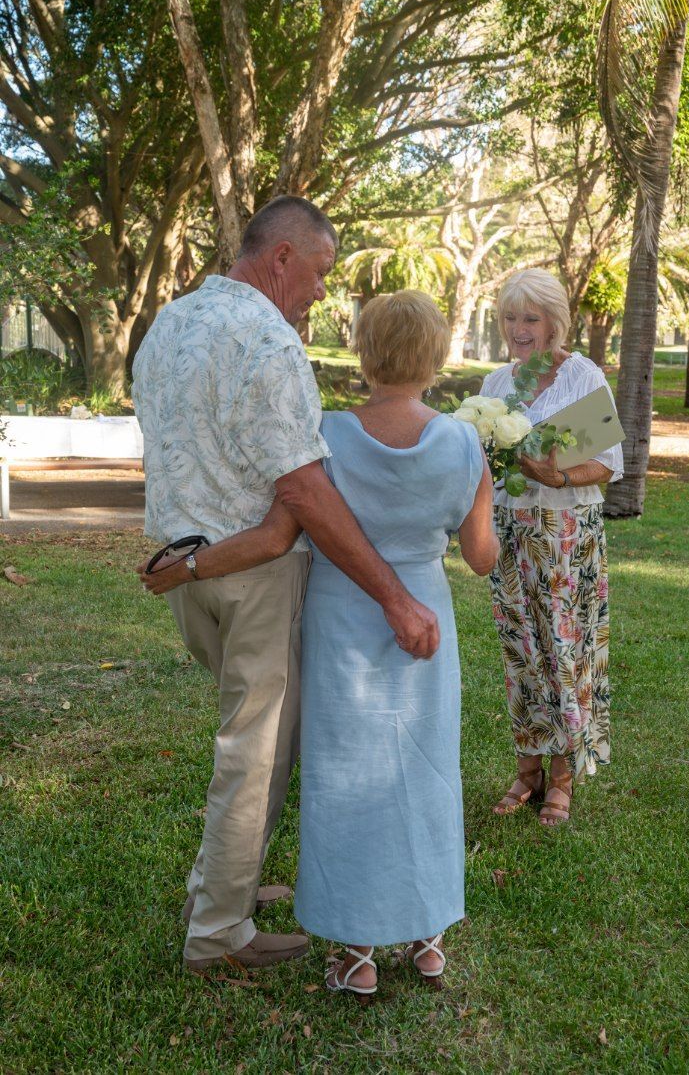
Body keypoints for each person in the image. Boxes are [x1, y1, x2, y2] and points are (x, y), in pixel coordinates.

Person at [141, 290, 499, 1000]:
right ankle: (428, 941)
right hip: (424, 620)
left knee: (343, 779)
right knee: (425, 774)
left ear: (364, 355)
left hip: (341, 620)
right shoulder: (463, 443)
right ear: (436, 358)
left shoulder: (326, 434)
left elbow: (279, 533)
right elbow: (483, 557)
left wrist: (185, 568)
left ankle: (357, 953)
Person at [480, 269, 623, 826]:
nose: (518, 329)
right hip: (511, 536)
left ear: (555, 324)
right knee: (521, 651)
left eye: (530, 319)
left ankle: (561, 777)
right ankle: (526, 769)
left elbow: (608, 464)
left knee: (563, 651)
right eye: (510, 318)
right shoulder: (496, 385)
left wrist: (557, 477)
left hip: (566, 539)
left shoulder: (580, 376)